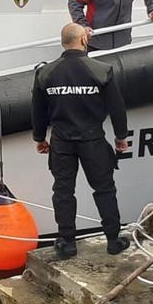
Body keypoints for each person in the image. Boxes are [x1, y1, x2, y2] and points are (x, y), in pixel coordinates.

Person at [32, 23, 131, 259]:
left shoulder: (45, 73)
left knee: (63, 191)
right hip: (93, 140)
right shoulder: (101, 70)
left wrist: (39, 138)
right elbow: (117, 108)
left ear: (63, 42)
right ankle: (114, 239)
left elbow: (37, 110)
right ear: (84, 40)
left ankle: (67, 243)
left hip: (62, 141)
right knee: (104, 189)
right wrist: (121, 137)